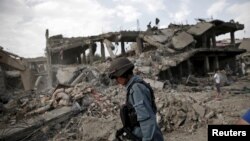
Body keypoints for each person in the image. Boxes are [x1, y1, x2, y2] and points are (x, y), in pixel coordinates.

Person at [108, 57, 164, 141]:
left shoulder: (136, 88)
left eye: (117, 77)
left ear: (124, 73)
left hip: (147, 136)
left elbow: (146, 119)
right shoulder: (132, 87)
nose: (117, 80)